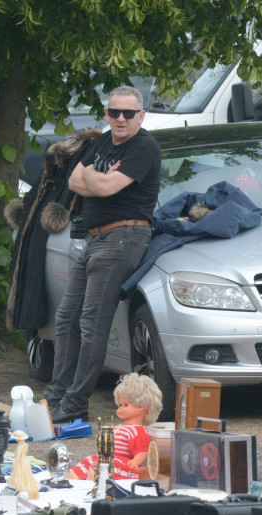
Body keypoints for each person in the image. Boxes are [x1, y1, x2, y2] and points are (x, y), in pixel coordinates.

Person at [45, 85, 161, 424]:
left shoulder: (144, 148)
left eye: (128, 113)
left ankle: (76, 403)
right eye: (114, 113)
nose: (120, 119)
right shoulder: (102, 143)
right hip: (93, 239)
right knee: (66, 319)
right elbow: (74, 181)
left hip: (123, 237)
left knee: (92, 324)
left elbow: (105, 186)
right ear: (107, 114)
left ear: (141, 115)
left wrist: (94, 178)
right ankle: (55, 397)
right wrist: (98, 177)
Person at [68, 372, 162, 480]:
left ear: (141, 407)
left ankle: (97, 477)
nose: (120, 408)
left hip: (125, 463)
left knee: (112, 465)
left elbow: (142, 450)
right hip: (112, 458)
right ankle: (78, 475)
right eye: (120, 405)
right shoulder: (119, 427)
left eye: (126, 405)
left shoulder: (137, 431)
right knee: (91, 459)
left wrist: (136, 461)